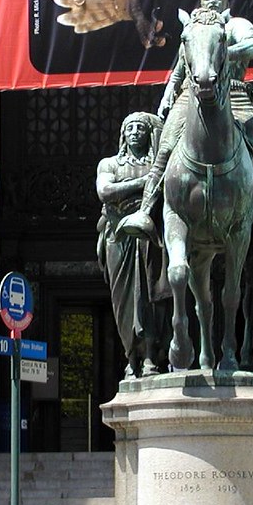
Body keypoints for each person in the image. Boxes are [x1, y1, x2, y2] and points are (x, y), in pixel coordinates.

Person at [118, 0, 253, 240]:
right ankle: (145, 212)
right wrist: (168, 94)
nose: (213, 0)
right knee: (166, 147)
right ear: (201, 1)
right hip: (190, 96)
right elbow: (180, 70)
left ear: (226, 2)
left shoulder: (235, 24)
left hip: (234, 94)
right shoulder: (192, 29)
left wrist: (224, 53)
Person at [96, 112, 172, 377]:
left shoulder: (158, 164)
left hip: (150, 238)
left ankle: (152, 356)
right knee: (125, 302)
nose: (136, 132)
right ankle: (131, 354)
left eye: (141, 128)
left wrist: (128, 187)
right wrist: (145, 182)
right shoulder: (110, 164)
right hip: (119, 237)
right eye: (130, 128)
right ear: (123, 134)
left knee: (153, 298)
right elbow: (105, 191)